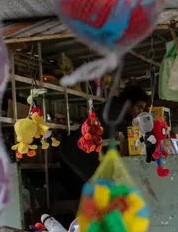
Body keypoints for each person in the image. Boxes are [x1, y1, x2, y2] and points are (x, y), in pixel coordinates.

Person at [57, 85, 150, 220]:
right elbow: (119, 131)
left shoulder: (119, 111)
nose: (140, 111)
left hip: (85, 152)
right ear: (129, 103)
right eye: (139, 107)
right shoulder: (114, 110)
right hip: (76, 150)